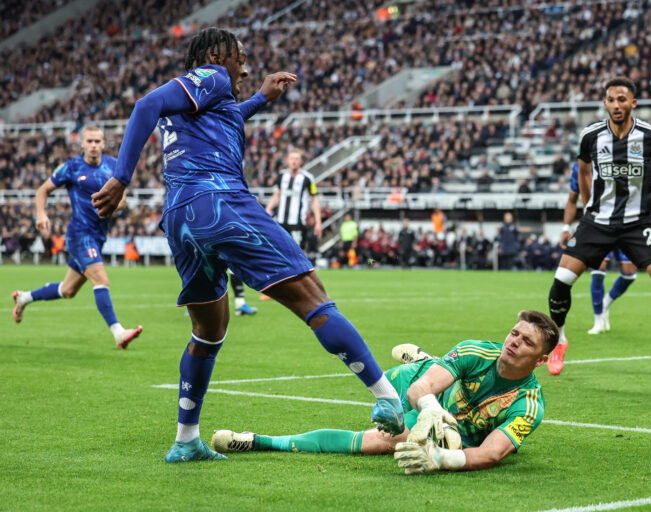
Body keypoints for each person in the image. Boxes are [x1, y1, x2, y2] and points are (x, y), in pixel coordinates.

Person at [91, 28, 404, 463]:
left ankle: (186, 440)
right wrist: (120, 178)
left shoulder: (199, 104)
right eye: (240, 58)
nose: (244, 68)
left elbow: (225, 120)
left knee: (208, 332)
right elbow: (145, 104)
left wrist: (260, 98)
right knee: (315, 300)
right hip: (220, 201)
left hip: (179, 217)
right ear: (217, 56)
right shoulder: (213, 75)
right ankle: (388, 398)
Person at [210, 310, 559, 474]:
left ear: (541, 361)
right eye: (514, 333)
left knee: (388, 441)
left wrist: (441, 460)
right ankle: (259, 441)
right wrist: (430, 407)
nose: (514, 342)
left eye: (527, 342)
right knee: (387, 421)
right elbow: (421, 389)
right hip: (420, 388)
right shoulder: (476, 351)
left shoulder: (528, 405)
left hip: (454, 432)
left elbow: (492, 453)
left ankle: (428, 360)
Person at [547, 76, 651, 380]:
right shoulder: (590, 136)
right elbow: (583, 171)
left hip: (639, 223)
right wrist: (588, 208)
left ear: (633, 103)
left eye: (622, 99)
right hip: (598, 222)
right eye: (611, 100)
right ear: (605, 103)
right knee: (561, 282)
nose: (616, 105)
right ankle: (559, 342)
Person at [11, 125, 143, 349]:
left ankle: (24, 298)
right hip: (79, 234)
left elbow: (122, 200)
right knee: (101, 280)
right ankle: (118, 332)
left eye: (97, 141)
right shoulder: (71, 167)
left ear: (104, 143)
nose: (93, 145)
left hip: (98, 236)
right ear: (82, 143)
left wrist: (112, 205)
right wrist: (41, 214)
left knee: (68, 290)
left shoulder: (114, 166)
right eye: (89, 141)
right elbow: (43, 190)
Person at [560, 162, 637, 336]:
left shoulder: (616, 158)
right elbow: (572, 198)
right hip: (597, 226)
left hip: (623, 223)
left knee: (629, 273)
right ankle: (598, 320)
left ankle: (605, 304)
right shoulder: (579, 167)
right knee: (598, 269)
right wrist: (566, 227)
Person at [265, 149, 323, 252]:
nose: (294, 161)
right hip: (281, 221)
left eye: (296, 159)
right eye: (292, 158)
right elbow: (277, 194)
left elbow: (314, 200)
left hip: (298, 222)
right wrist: (268, 208)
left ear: (301, 161)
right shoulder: (282, 175)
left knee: (299, 252)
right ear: (287, 160)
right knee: (280, 251)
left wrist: (318, 222)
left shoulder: (308, 178)